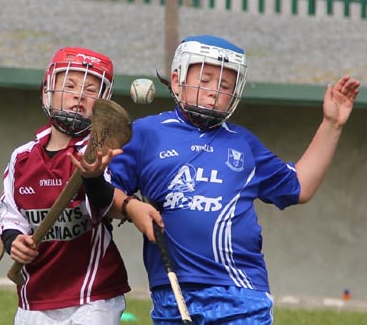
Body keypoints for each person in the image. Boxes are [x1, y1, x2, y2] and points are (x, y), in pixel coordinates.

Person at [105, 35, 360, 324]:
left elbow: (298, 186)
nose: (214, 91)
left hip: (241, 293)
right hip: (174, 292)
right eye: (204, 79)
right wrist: (130, 207)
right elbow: (102, 190)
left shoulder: (243, 143)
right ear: (177, 81)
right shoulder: (146, 134)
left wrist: (332, 124)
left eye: (224, 85)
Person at [0, 46, 130, 325]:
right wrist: (13, 242)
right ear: (48, 90)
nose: (79, 95)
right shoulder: (22, 157)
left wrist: (92, 177)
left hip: (93, 295)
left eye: (91, 90)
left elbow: (103, 208)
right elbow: (10, 215)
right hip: (35, 295)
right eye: (69, 85)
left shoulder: (100, 153)